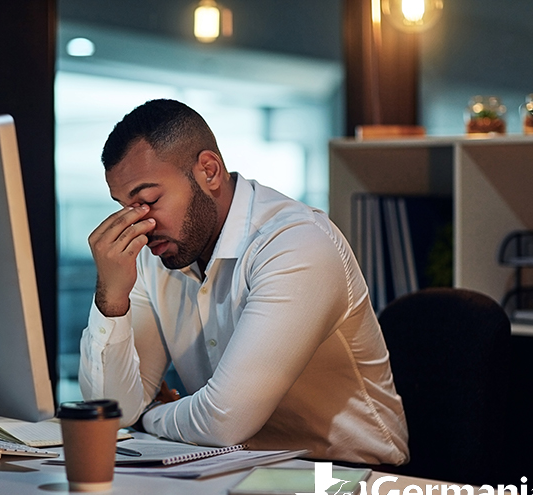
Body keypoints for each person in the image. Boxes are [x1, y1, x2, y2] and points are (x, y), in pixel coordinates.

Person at [79, 99, 409, 465]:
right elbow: (109, 413)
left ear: (209, 171)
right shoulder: (154, 254)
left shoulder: (296, 244)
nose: (138, 223)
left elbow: (222, 422)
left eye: (149, 200)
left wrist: (150, 415)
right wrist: (111, 299)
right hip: (237, 469)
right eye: (124, 206)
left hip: (348, 477)